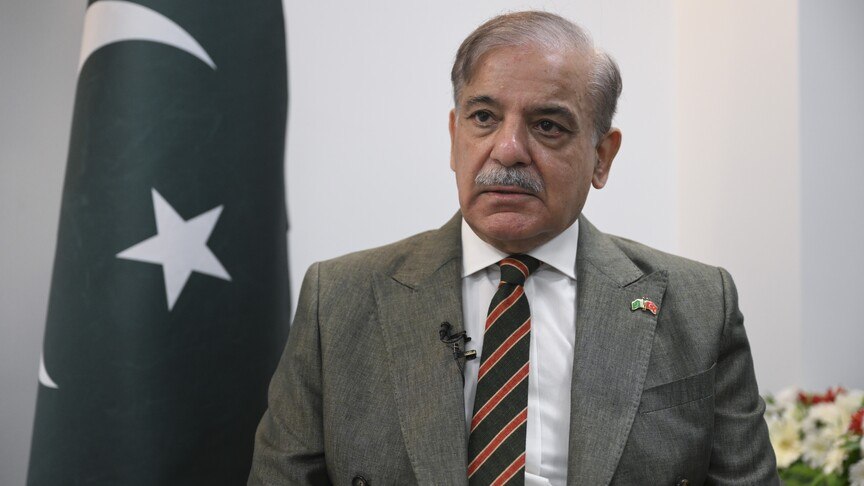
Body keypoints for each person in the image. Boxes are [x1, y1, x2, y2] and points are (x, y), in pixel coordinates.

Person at [249, 11, 779, 486]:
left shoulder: (699, 305)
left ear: (602, 156)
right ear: (454, 136)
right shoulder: (338, 300)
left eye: (547, 125)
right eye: (483, 117)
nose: (507, 150)